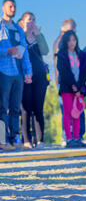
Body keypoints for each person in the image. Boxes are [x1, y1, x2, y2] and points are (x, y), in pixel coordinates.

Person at [0, 0, 32, 149]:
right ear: (3, 8)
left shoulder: (19, 29)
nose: (13, 9)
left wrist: (28, 72)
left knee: (15, 108)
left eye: (14, 6)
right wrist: (6, 51)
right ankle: (2, 140)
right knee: (2, 107)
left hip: (18, 73)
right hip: (3, 72)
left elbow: (25, 52)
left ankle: (15, 138)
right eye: (10, 6)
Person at [18, 12, 49, 149]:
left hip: (40, 76)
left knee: (38, 108)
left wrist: (38, 35)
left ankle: (40, 140)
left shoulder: (38, 37)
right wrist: (24, 32)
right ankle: (27, 140)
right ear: (23, 22)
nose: (32, 22)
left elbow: (45, 51)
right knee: (26, 109)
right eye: (29, 20)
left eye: (34, 20)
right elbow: (18, 52)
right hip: (25, 76)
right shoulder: (20, 36)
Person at [56, 30, 86, 148]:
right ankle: (69, 139)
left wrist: (79, 86)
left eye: (74, 40)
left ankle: (77, 138)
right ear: (65, 41)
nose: (71, 42)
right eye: (69, 40)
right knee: (67, 113)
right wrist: (73, 85)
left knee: (77, 113)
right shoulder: (61, 55)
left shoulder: (81, 55)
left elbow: (85, 71)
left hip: (79, 89)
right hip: (67, 88)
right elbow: (63, 71)